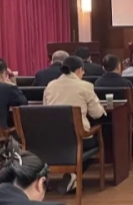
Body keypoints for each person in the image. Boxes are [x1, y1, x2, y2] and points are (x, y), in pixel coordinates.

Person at [43, 56, 106, 193]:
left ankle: (72, 176)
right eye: (83, 71)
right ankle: (74, 174)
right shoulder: (85, 86)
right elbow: (97, 114)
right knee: (100, 137)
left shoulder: (50, 85)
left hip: (53, 138)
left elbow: (46, 108)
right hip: (79, 138)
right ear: (79, 70)